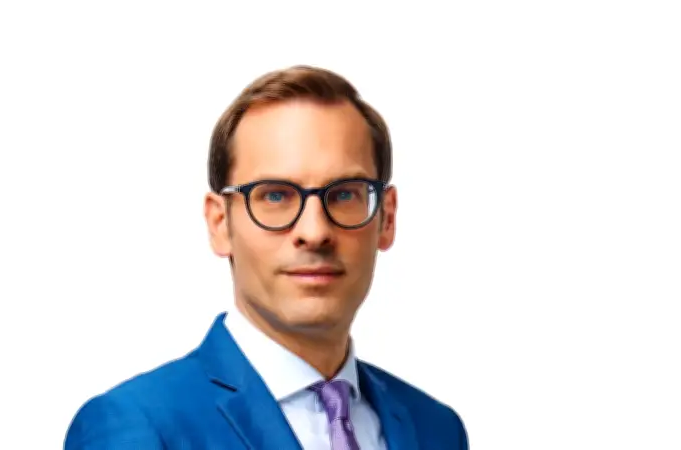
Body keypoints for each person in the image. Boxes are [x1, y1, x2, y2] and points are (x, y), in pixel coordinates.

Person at [64, 65, 469, 450]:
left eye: (345, 194)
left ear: (387, 218)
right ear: (220, 223)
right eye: (275, 195)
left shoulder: (436, 428)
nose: (315, 232)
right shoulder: (138, 425)